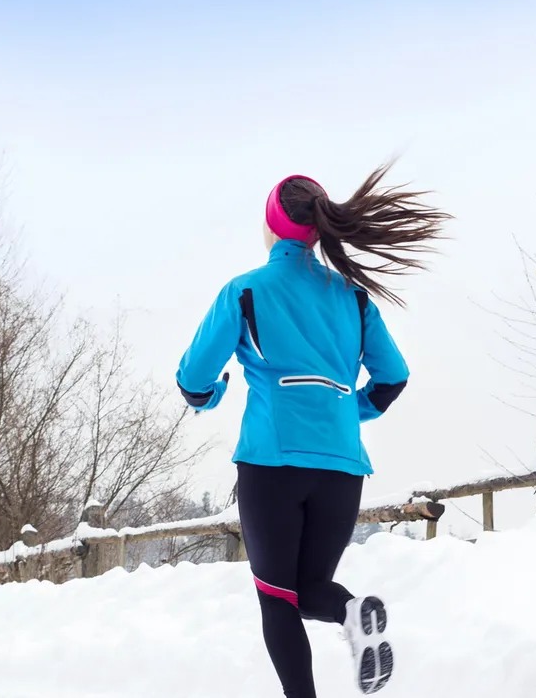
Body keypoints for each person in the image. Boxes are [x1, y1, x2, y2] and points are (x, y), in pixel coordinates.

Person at [174, 164, 449, 697]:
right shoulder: (354, 296)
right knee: (309, 589)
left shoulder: (246, 291)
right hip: (343, 468)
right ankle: (351, 612)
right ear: (320, 230)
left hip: (273, 461)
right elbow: (393, 377)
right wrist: (350, 411)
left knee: (277, 597)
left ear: (272, 227)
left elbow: (192, 378)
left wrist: (212, 395)